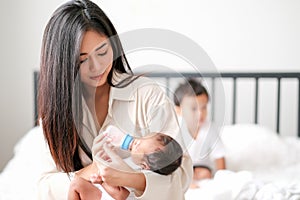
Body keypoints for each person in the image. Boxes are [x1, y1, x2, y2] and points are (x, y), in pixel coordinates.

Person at [37, 0, 192, 199]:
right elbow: (45, 186)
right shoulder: (54, 115)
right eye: (82, 60)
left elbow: (181, 175)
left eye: (102, 52)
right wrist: (95, 171)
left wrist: (127, 179)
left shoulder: (146, 95)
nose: (97, 66)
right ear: (63, 64)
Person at [68, 126, 183, 200]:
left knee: (77, 184)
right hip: (104, 192)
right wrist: (102, 181)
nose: (133, 142)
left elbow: (120, 194)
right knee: (77, 184)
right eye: (139, 139)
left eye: (136, 146)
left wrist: (103, 178)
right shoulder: (130, 165)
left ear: (145, 166)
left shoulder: (139, 177)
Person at [173, 78, 226, 188]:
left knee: (205, 173)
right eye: (194, 109)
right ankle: (186, 181)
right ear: (179, 110)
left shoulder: (209, 128)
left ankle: (191, 177)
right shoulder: (175, 129)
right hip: (180, 166)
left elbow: (219, 155)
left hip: (200, 166)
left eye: (204, 107)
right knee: (173, 173)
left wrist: (223, 177)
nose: (200, 113)